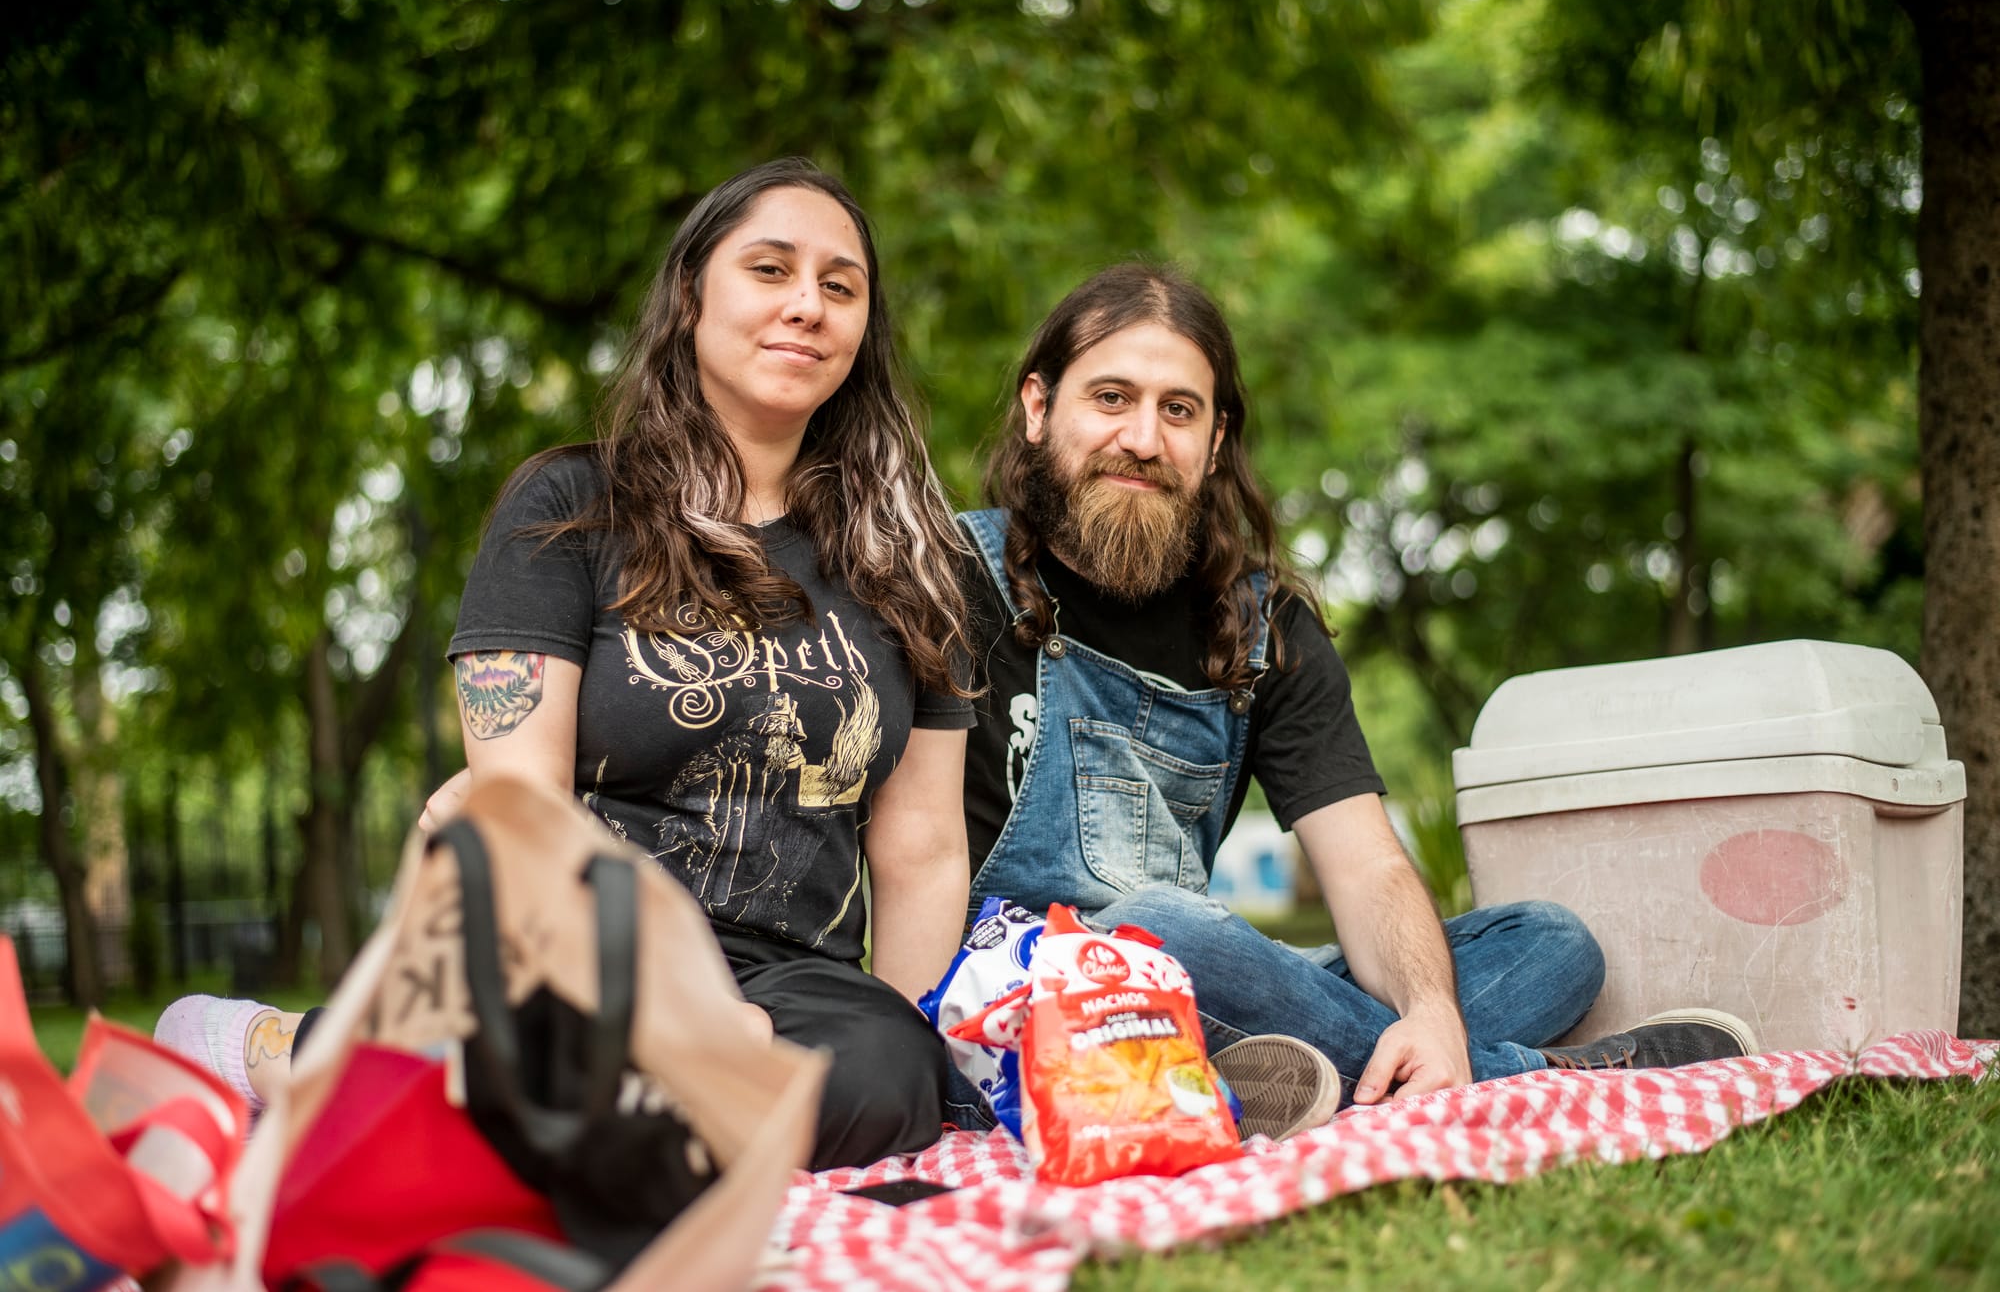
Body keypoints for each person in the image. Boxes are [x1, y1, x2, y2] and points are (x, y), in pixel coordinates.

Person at [157, 157, 977, 1171]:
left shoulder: (912, 559)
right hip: (576, 956)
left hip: (788, 981)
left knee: (888, 1074)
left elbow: (925, 846)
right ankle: (271, 1054)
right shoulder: (567, 510)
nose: (806, 306)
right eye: (769, 270)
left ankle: (543, 1098)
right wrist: (666, 1005)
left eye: (838, 286)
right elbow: (519, 806)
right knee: (588, 1053)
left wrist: (905, 1053)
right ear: (690, 297)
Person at [950, 263, 1755, 1136]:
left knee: (1552, 944)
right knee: (1159, 927)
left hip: (1196, 989)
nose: (1144, 438)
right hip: (1009, 1013)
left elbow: (1368, 866)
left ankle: (1272, 1071)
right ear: (1039, 408)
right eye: (1111, 397)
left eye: (1179, 409)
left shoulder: (1263, 625)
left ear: (1216, 442)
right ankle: (1558, 1081)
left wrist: (1434, 1012)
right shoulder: (951, 577)